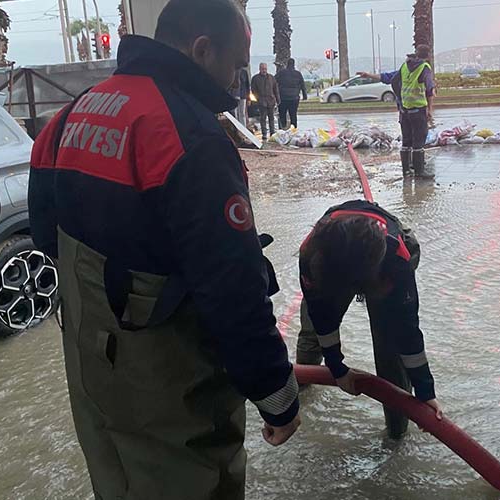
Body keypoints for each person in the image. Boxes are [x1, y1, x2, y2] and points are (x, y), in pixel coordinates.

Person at [27, 1, 300, 498]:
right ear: (202, 50)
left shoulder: (72, 113)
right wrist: (277, 395)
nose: (238, 82)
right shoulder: (190, 137)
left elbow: (45, 234)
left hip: (90, 369)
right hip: (170, 390)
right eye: (237, 66)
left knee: (115, 478)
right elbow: (232, 288)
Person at [296, 199, 442, 439]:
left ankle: (397, 433)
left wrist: (426, 392)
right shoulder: (312, 256)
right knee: (313, 334)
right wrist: (337, 369)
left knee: (390, 349)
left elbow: (407, 332)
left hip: (386, 255)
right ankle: (301, 388)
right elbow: (322, 318)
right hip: (333, 260)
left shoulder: (397, 261)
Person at [359, 44, 435, 178]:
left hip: (404, 111)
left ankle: (406, 171)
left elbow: (388, 78)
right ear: (428, 56)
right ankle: (419, 172)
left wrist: (368, 75)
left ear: (416, 54)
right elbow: (429, 90)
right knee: (419, 140)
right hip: (418, 110)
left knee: (406, 141)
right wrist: (429, 110)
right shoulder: (425, 68)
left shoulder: (404, 67)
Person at [275, 58, 308, 129]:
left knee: (282, 114)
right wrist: (305, 96)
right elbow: (303, 85)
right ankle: (294, 129)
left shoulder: (281, 73)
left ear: (287, 64)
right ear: (294, 64)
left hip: (283, 97)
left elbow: (274, 82)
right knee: (293, 115)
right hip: (294, 98)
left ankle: (282, 128)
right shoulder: (298, 74)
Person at [251, 62, 279, 140]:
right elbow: (253, 90)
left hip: (271, 100)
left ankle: (272, 133)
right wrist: (258, 99)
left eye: (265, 69)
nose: (264, 70)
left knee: (271, 118)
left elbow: (275, 89)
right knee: (263, 118)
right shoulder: (255, 78)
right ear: (259, 69)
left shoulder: (271, 77)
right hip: (262, 101)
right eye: (263, 69)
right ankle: (264, 134)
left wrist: (277, 99)